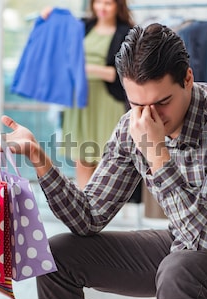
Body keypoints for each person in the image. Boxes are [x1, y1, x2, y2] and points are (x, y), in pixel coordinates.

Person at [0, 23, 207, 299]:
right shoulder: (131, 124)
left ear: (188, 79)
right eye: (137, 104)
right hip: (185, 245)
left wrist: (156, 153)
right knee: (57, 254)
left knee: (182, 269)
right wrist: (39, 158)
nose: (150, 118)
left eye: (162, 102)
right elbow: (89, 218)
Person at [48, 0, 134, 189]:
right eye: (98, 2)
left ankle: (100, 209)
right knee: (82, 156)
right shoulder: (83, 26)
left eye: (108, 3)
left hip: (108, 100)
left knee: (107, 156)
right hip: (79, 100)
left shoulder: (127, 32)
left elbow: (121, 72)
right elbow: (60, 32)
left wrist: (84, 68)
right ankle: (83, 208)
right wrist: (49, 15)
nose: (102, 8)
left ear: (118, 6)